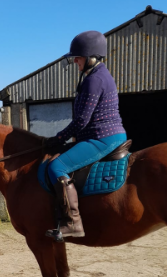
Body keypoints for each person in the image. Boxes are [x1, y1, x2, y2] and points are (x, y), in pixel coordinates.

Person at [44, 31, 127, 240]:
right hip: (105, 135)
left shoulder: (94, 80)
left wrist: (59, 138)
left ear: (91, 56)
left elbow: (82, 120)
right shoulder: (98, 76)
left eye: (77, 57)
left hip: (102, 137)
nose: (75, 61)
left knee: (57, 166)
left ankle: (73, 222)